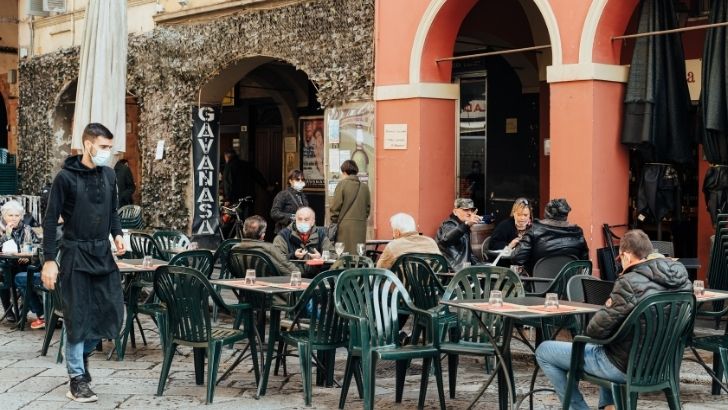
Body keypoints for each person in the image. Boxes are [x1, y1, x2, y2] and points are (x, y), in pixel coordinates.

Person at [535, 229, 691, 410]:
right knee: (609, 343)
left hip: (623, 367)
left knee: (544, 350)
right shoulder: (684, 282)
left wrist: (607, 306)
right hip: (662, 366)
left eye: (620, 259)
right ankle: (609, 406)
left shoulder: (629, 282)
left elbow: (595, 331)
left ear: (626, 256)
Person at [41, 123, 126, 403]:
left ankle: (82, 356)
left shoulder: (110, 175)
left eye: (110, 147)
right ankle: (77, 377)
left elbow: (113, 211)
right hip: (75, 253)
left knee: (111, 312)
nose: (108, 152)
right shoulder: (65, 178)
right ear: (88, 145)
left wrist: (117, 235)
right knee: (77, 316)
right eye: (103, 147)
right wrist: (49, 260)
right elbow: (50, 220)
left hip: (102, 253)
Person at [511, 198, 589, 275]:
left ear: (546, 213)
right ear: (565, 215)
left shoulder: (534, 229)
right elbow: (585, 262)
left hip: (538, 281)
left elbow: (517, 258)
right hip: (568, 282)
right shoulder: (577, 233)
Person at [1, 200, 39, 325]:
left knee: (27, 272)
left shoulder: (27, 229)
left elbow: (36, 247)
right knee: (4, 274)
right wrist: (7, 235)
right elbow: (3, 249)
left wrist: (29, 257)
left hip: (24, 265)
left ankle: (23, 309)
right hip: (5, 265)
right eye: (10, 215)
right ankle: (9, 310)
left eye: (17, 215)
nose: (14, 218)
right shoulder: (1, 229)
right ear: (4, 216)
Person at [330, 160, 370, 253]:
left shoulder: (342, 185)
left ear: (344, 172)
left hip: (344, 227)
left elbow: (335, 207)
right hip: (360, 227)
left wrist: (334, 221)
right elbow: (367, 209)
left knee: (343, 253)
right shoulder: (365, 187)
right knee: (358, 253)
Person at [376, 213, 441, 269]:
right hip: (432, 280)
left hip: (401, 280)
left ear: (396, 232)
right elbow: (440, 266)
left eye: (392, 231)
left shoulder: (393, 246)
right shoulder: (431, 242)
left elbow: (380, 269)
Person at [436, 198, 482, 270]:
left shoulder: (463, 226)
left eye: (471, 210)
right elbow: (446, 240)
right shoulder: (450, 224)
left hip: (462, 270)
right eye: (465, 210)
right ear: (455, 212)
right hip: (451, 271)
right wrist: (466, 225)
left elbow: (468, 254)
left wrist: (481, 265)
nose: (470, 213)